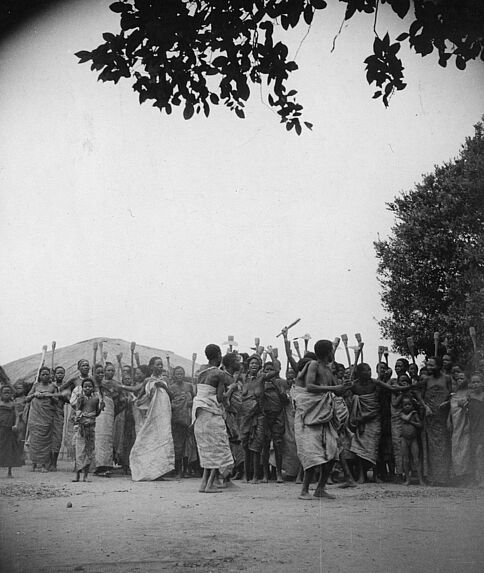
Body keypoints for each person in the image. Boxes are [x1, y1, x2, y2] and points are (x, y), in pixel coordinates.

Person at [293, 339, 349, 500]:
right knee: (312, 454)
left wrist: (345, 387)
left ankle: (320, 489)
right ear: (327, 352)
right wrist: (334, 388)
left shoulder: (329, 370)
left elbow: (338, 392)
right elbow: (310, 386)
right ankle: (304, 491)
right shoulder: (313, 365)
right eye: (332, 350)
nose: (333, 353)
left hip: (325, 416)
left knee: (333, 452)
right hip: (310, 415)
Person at [192, 345, 234, 492]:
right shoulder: (219, 373)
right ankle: (209, 485)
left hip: (200, 413)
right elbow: (220, 398)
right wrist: (232, 390)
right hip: (211, 413)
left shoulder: (200, 371)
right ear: (219, 355)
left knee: (207, 449)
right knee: (216, 449)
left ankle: (204, 484)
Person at [129, 357, 175, 481]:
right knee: (150, 437)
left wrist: (163, 386)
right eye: (158, 364)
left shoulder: (164, 379)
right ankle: (147, 470)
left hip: (164, 412)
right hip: (153, 413)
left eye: (161, 365)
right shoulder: (147, 380)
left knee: (163, 438)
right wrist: (137, 401)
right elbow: (139, 395)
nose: (160, 367)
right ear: (151, 367)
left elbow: (171, 395)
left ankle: (160, 471)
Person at [239, 354, 276, 483]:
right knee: (245, 445)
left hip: (259, 415)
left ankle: (255, 476)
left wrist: (273, 356)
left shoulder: (261, 378)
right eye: (251, 363)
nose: (253, 365)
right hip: (245, 416)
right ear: (248, 365)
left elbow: (276, 371)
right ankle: (245, 475)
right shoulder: (243, 378)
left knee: (256, 446)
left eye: (256, 363)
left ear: (260, 366)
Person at [420, 356, 452, 485]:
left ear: (439, 366)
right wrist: (426, 407)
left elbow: (452, 394)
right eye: (428, 365)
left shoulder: (447, 378)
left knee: (443, 446)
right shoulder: (426, 380)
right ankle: (433, 478)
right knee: (431, 447)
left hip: (443, 417)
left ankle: (444, 478)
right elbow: (420, 396)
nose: (429, 368)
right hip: (430, 418)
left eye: (432, 365)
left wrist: (447, 403)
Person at [349, 363, 382, 484]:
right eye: (366, 370)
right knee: (359, 448)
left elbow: (379, 402)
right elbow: (342, 393)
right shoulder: (354, 386)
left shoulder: (375, 383)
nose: (369, 372)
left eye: (370, 370)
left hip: (374, 419)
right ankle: (361, 475)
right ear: (359, 373)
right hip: (360, 419)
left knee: (374, 446)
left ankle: (375, 475)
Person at [25, 366, 59, 472]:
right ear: (39, 376)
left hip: (46, 416)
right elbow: (27, 398)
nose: (45, 376)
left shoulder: (53, 386)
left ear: (50, 375)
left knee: (46, 440)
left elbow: (57, 400)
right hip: (35, 416)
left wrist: (49, 395)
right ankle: (34, 464)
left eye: (47, 374)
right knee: (35, 440)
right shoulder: (35, 385)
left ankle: (44, 464)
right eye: (43, 374)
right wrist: (34, 395)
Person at [261, 360, 288, 483]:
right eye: (266, 370)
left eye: (271, 370)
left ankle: (278, 474)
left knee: (277, 444)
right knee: (265, 445)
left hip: (278, 416)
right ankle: (266, 474)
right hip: (265, 416)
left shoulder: (281, 382)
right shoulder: (260, 382)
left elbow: (284, 398)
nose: (269, 372)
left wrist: (275, 384)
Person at [72, 378, 101, 482]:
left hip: (91, 428)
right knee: (79, 451)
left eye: (90, 386)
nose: (87, 388)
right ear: (82, 388)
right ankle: (77, 476)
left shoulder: (96, 399)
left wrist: (100, 408)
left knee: (89, 451)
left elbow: (96, 413)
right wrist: (79, 420)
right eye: (85, 386)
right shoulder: (81, 398)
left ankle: (85, 476)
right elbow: (78, 411)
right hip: (82, 427)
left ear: (93, 388)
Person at [169, 366, 195, 478]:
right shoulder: (171, 388)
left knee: (187, 445)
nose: (179, 376)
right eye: (177, 374)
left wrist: (188, 402)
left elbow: (194, 399)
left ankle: (187, 469)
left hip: (187, 418)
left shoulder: (189, 386)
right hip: (176, 419)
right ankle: (178, 470)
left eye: (181, 373)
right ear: (174, 375)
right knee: (178, 445)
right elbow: (169, 403)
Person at [448, 371, 471, 483]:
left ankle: (465, 476)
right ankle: (457, 475)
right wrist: (448, 420)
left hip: (464, 423)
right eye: (458, 379)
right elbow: (451, 408)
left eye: (462, 378)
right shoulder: (455, 392)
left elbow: (470, 410)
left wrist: (468, 424)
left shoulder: (469, 393)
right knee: (455, 447)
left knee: (464, 448)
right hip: (455, 423)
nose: (459, 380)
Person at [400, 395, 424, 485]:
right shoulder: (401, 413)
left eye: (409, 404)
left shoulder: (415, 415)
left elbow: (420, 425)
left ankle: (421, 479)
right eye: (405, 405)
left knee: (416, 459)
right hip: (404, 439)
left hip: (413, 439)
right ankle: (407, 479)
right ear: (402, 406)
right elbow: (405, 418)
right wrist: (412, 414)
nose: (407, 406)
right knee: (405, 460)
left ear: (412, 405)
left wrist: (411, 421)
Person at [0, 385, 23, 477]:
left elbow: (17, 416)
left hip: (10, 430)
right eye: (4, 392)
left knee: (10, 450)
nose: (6, 394)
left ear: (11, 394)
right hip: (1, 429)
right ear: (1, 393)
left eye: (8, 392)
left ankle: (9, 472)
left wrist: (16, 425)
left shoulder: (13, 404)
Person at [50, 365, 68, 471]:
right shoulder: (50, 385)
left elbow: (69, 400)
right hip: (48, 413)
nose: (60, 375)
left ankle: (54, 462)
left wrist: (61, 395)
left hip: (59, 413)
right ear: (55, 374)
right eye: (58, 373)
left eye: (62, 373)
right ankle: (47, 461)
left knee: (57, 437)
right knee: (48, 436)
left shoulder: (66, 386)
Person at [468, 373, 484, 487]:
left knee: (479, 452)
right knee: (475, 453)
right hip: (473, 427)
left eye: (477, 382)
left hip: (482, 427)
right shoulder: (469, 396)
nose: (475, 384)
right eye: (473, 382)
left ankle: (481, 479)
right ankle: (477, 478)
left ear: (482, 383)